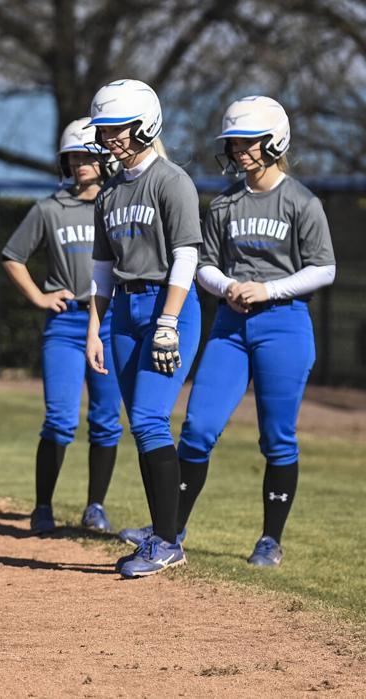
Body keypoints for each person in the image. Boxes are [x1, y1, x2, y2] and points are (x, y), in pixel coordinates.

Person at [167, 96, 335, 566]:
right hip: (230, 324)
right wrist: (229, 286)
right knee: (197, 428)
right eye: (234, 142)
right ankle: (170, 532)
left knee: (277, 436)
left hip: (284, 325)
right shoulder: (224, 205)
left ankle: (270, 539)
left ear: (275, 140)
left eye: (249, 141)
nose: (240, 150)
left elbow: (324, 269)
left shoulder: (302, 201)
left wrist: (268, 290)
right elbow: (202, 265)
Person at [85, 79, 202, 578]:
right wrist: (95, 328)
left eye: (119, 128)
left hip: (166, 306)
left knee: (151, 420)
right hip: (124, 315)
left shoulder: (171, 180)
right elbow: (101, 270)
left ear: (146, 124)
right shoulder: (109, 191)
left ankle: (168, 542)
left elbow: (187, 255)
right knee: (142, 426)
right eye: (106, 129)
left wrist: (169, 322)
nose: (110, 137)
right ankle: (162, 533)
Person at [1, 118, 122, 535]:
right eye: (73, 156)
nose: (80, 163)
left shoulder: (119, 203)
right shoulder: (49, 208)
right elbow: (12, 256)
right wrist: (38, 296)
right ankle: (42, 507)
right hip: (66, 323)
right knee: (59, 419)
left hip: (107, 322)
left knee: (107, 419)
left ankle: (95, 507)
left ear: (105, 158)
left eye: (88, 155)